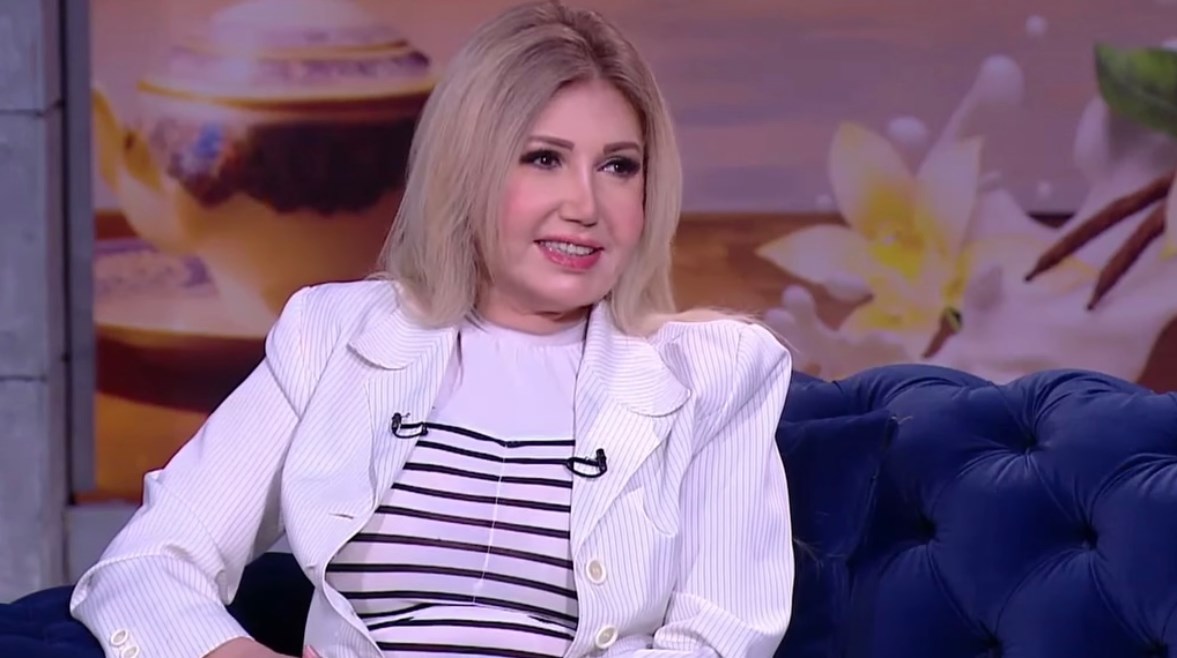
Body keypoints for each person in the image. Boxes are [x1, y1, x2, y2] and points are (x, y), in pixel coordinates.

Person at [69, 1, 796, 657]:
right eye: (543, 159)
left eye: (617, 167)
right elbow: (146, 565)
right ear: (466, 170)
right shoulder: (333, 337)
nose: (585, 205)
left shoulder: (719, 374)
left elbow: (719, 637)